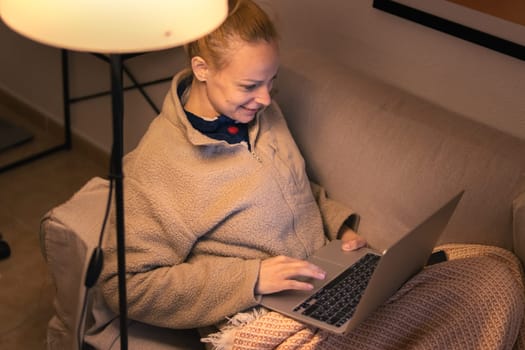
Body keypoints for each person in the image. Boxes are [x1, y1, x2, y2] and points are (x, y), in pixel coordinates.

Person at [97, 0, 524, 348]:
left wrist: (341, 228)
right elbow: (125, 285)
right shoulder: (159, 168)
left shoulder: (258, 114)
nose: (265, 98)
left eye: (272, 81)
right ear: (202, 69)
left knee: (492, 277)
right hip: (260, 324)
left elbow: (292, 187)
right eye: (250, 86)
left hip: (324, 281)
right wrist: (253, 279)